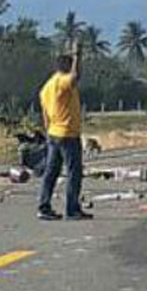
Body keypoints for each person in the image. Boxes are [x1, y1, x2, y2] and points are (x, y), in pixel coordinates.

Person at [37, 45, 93, 221]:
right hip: (68, 134)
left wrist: (48, 134)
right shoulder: (63, 82)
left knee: (51, 172)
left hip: (53, 134)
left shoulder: (46, 88)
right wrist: (78, 55)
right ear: (68, 67)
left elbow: (45, 115)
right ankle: (72, 209)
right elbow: (75, 77)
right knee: (74, 172)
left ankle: (44, 206)